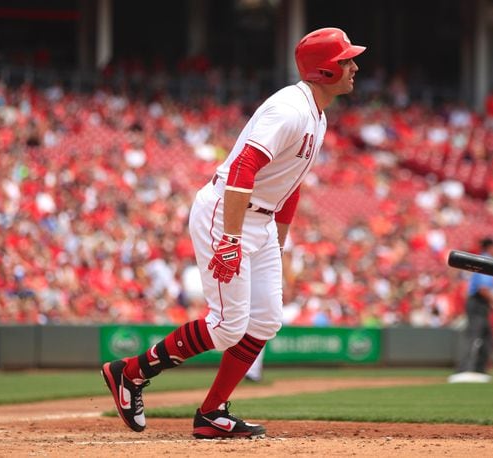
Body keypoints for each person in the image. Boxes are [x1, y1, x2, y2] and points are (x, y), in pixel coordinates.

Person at [101, 27, 365, 439]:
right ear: (326, 71)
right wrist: (231, 238)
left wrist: (277, 243)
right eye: (346, 59)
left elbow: (288, 184)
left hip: (259, 219)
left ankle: (212, 413)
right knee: (227, 325)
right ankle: (129, 373)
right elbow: (243, 167)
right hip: (227, 211)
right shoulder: (289, 110)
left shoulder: (317, 115)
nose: (355, 66)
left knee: (265, 321)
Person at [452, 237, 493, 380]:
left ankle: (479, 369)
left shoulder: (487, 260)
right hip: (477, 302)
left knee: (486, 336)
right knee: (473, 336)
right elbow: (482, 289)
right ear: (489, 248)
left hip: (481, 302)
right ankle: (464, 370)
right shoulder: (485, 261)